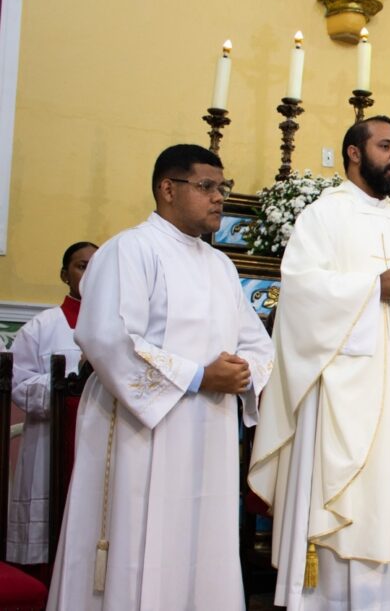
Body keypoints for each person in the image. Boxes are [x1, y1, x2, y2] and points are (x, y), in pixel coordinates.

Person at [47, 145, 274, 610]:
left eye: (222, 188)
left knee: (200, 544)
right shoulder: (129, 250)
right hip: (140, 429)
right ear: (167, 189)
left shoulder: (220, 266)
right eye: (206, 187)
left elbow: (257, 341)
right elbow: (106, 336)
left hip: (207, 434)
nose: (219, 199)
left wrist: (242, 372)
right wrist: (197, 376)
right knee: (139, 543)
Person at [248, 115, 390, 610]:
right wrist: (372, 288)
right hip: (340, 389)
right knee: (342, 499)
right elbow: (298, 291)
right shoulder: (324, 216)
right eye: (386, 145)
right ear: (355, 154)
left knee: (389, 496)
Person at [6, 241, 97, 569]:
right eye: (81, 266)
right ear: (64, 274)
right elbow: (18, 385)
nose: (90, 274)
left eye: (97, 267)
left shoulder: (120, 328)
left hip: (98, 444)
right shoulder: (42, 327)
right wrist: (69, 382)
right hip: (51, 445)